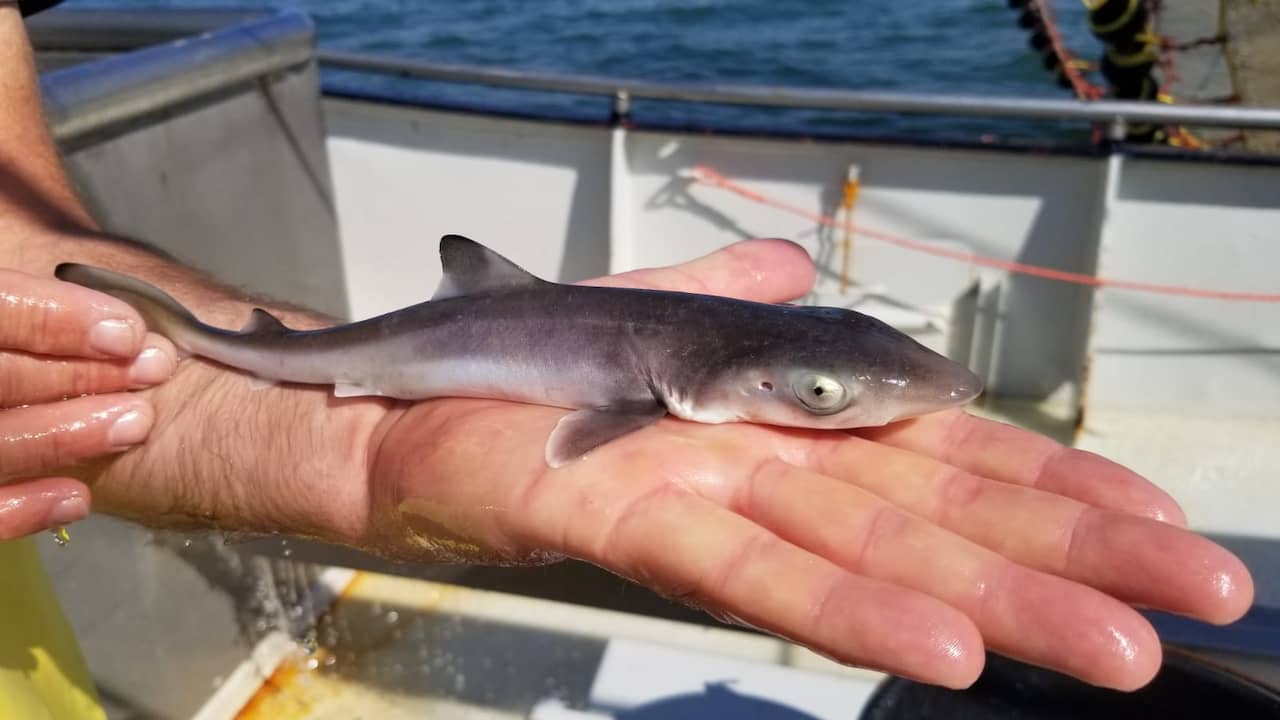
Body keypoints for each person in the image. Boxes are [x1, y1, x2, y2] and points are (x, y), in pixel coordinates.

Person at [0, 1, 1255, 717]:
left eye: (828, 387)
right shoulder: (610, 400)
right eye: (816, 398)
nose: (829, 409)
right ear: (683, 388)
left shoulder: (695, 371)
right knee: (279, 348)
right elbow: (583, 425)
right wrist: (238, 362)